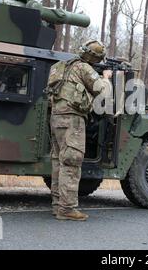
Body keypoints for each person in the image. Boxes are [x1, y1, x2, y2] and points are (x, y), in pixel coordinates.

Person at [48, 40, 112, 221]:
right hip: (72, 119)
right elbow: (101, 91)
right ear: (95, 57)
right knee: (71, 161)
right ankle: (67, 209)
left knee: (59, 162)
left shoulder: (62, 66)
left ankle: (57, 204)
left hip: (56, 118)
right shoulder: (84, 68)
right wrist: (106, 78)